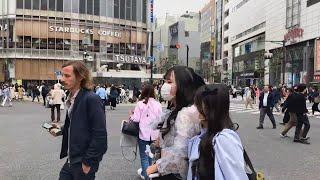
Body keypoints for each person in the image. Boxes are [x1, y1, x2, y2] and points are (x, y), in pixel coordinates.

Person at [49, 61, 108, 180]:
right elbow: (77, 125)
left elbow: (100, 136)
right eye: (62, 75)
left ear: (80, 77)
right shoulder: (72, 98)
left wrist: (87, 163)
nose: (62, 79)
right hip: (72, 159)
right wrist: (60, 129)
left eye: (67, 76)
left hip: (83, 162)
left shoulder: (91, 99)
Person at [146, 66, 205, 180]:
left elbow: (180, 153)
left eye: (169, 82)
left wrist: (155, 167)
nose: (164, 86)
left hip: (175, 174)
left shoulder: (186, 113)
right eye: (164, 81)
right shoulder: (177, 109)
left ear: (182, 86)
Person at [187, 84, 248, 180]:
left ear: (210, 108)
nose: (192, 109)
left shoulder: (224, 140)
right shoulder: (201, 136)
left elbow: (235, 176)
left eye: (197, 105)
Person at [129, 84, 162, 180]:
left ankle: (147, 176)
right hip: (154, 135)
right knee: (150, 156)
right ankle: (147, 174)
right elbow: (160, 120)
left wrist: (131, 115)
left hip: (143, 134)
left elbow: (136, 119)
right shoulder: (158, 104)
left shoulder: (140, 104)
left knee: (144, 157)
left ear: (143, 92)